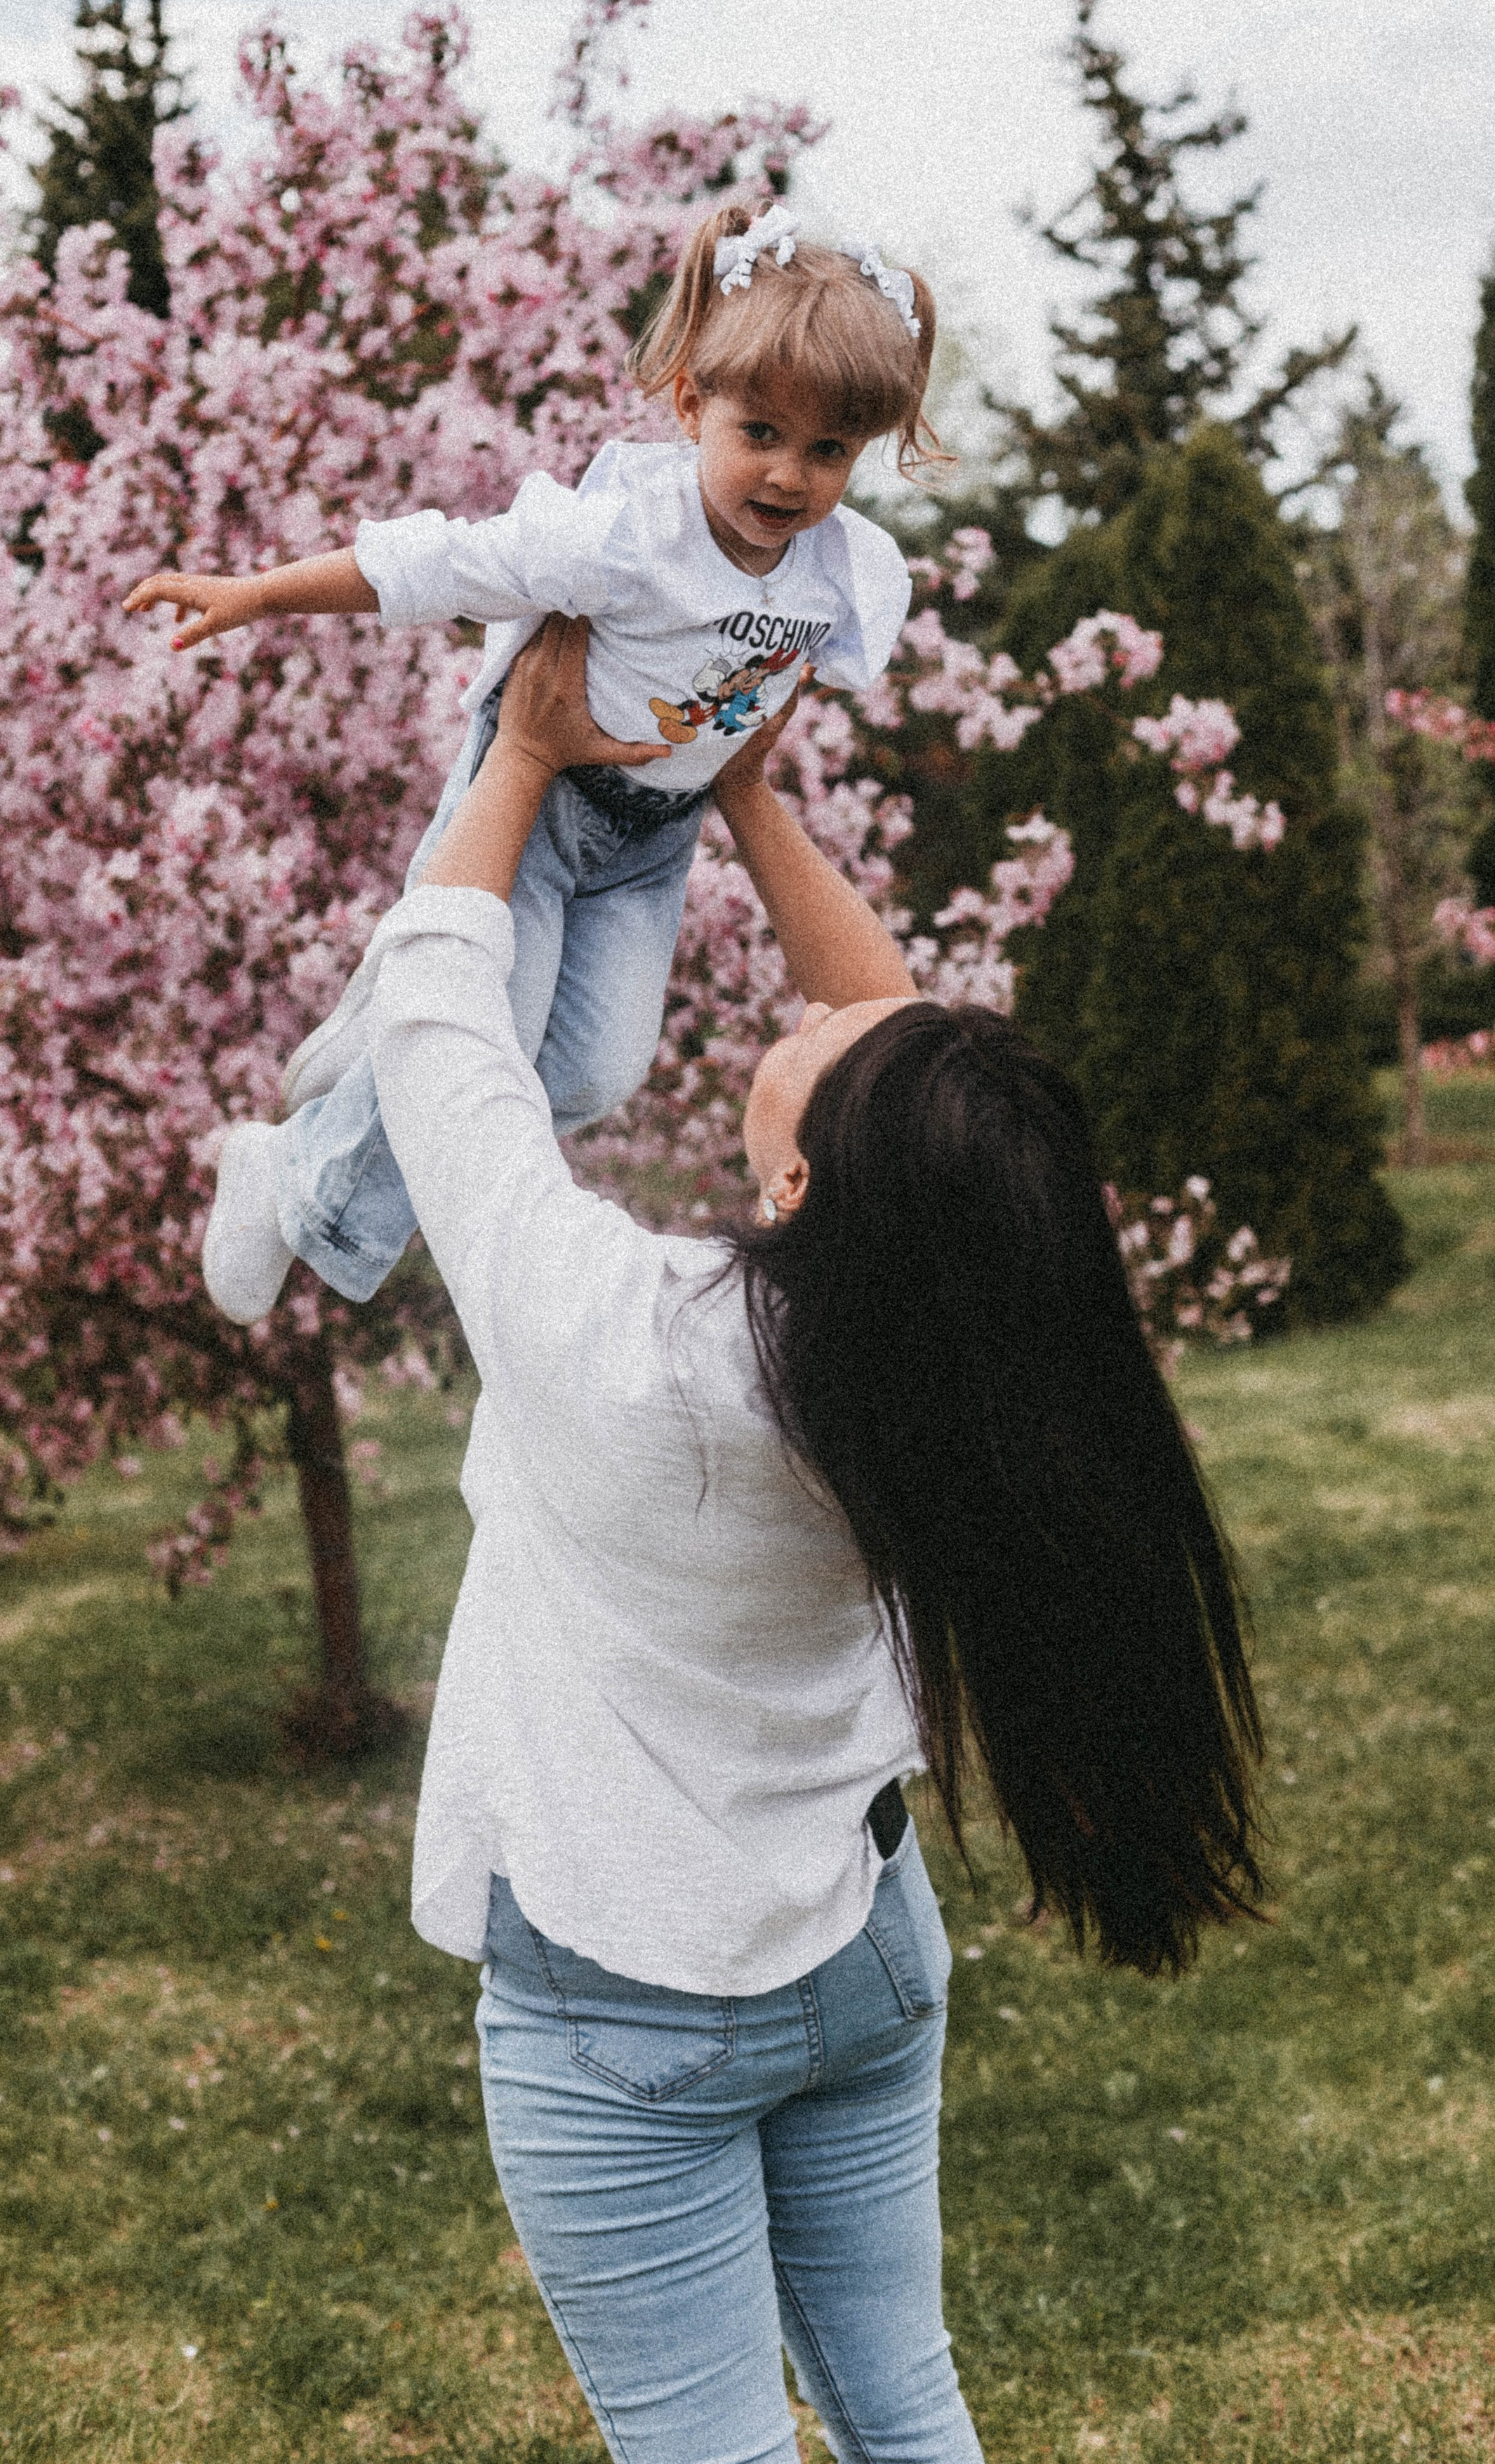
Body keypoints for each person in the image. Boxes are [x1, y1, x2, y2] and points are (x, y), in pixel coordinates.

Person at [348, 609, 1265, 2463]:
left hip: (629, 2005)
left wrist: (523, 757)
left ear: (803, 1186)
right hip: (858, 1948)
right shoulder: (974, 1360)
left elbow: (437, 1040)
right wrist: (752, 798)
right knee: (903, 2405)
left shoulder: (636, 1357)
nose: (843, 1022)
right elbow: (917, 1086)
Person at [121, 202, 933, 1325]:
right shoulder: (621, 534)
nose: (789, 477)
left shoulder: (843, 575)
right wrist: (257, 594)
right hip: (540, 799)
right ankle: (295, 1177)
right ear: (695, 405)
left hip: (657, 834)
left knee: (595, 1075)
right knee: (484, 1030)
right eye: (761, 434)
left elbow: (780, 691)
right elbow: (446, 564)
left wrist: (735, 755)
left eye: (828, 451)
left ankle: (370, 1067)